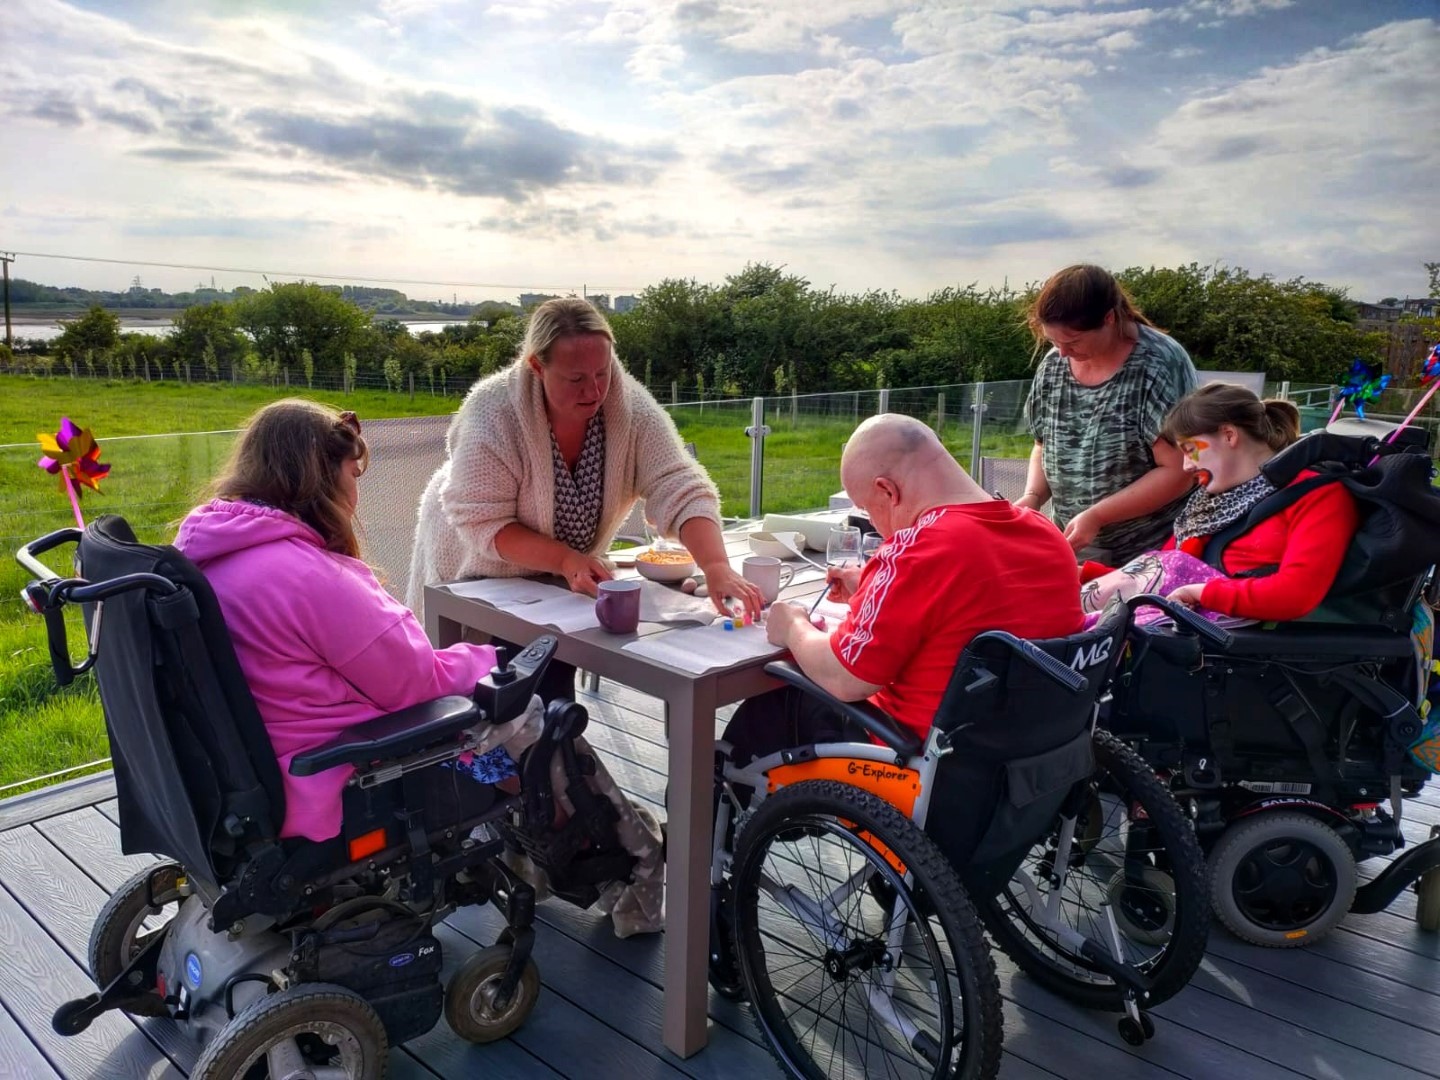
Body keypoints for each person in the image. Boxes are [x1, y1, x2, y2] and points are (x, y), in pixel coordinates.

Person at [173, 400, 665, 935]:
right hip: (332, 778)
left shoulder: (207, 555)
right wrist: (491, 662)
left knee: (504, 729)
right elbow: (415, 682)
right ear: (321, 477)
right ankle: (635, 871)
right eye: (351, 473)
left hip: (255, 771)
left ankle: (538, 858)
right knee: (531, 720)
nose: (354, 490)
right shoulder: (305, 576)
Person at [408, 296, 762, 699]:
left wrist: (716, 566)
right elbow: (482, 521)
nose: (594, 390)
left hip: (559, 584)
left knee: (549, 690)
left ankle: (557, 757)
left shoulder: (630, 409)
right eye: (576, 379)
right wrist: (564, 558)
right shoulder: (493, 411)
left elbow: (679, 485)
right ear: (537, 367)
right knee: (488, 693)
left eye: (603, 371)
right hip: (475, 572)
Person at [721, 413, 1086, 772]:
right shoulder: (1046, 534)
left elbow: (845, 679)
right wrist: (872, 585)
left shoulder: (917, 551)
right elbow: (983, 600)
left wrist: (792, 627)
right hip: (1025, 762)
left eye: (867, 509)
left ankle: (706, 816)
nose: (874, 522)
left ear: (887, 490)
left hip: (919, 765)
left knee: (774, 703)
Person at [1081, 383, 1360, 624]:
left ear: (1229, 435)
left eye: (1190, 450)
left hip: (1231, 654)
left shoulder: (1317, 495)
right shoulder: (1208, 505)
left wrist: (1201, 593)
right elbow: (1159, 577)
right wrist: (1083, 574)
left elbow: (1295, 595)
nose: (1186, 466)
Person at [1018, 264, 1198, 566]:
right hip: (1075, 547)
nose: (1062, 353)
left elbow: (1184, 470)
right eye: (1053, 342)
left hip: (1150, 553)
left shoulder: (1161, 364)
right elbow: (1042, 445)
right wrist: (1033, 497)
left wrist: (1100, 515)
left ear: (1109, 319)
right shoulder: (1053, 365)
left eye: (1073, 342)